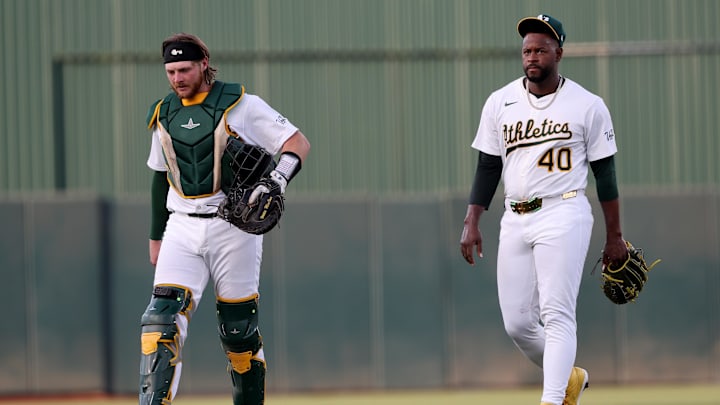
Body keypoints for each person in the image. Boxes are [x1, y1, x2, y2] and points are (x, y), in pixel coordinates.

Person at [459, 14, 628, 405]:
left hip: (564, 211)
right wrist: (472, 219)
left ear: (559, 53)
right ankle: (570, 377)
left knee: (556, 313)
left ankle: (553, 400)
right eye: (526, 50)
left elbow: (606, 175)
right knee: (517, 323)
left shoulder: (587, 105)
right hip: (514, 216)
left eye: (540, 49)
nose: (531, 56)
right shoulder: (500, 101)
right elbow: (488, 166)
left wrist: (614, 236)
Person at [139, 33, 310, 405]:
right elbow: (159, 175)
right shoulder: (164, 113)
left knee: (239, 334)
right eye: (170, 71)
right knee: (158, 325)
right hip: (181, 224)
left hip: (233, 225)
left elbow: (298, 142)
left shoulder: (242, 105)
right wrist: (156, 237)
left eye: (184, 69)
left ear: (204, 64)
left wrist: (276, 180)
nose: (177, 78)